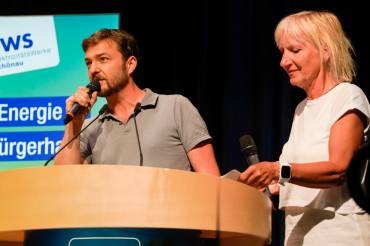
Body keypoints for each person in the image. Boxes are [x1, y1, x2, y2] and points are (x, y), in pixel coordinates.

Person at [239, 11, 370, 245]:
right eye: (282, 52)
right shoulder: (302, 109)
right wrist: (264, 185)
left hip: (339, 232)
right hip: (297, 233)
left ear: (325, 50)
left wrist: (278, 171)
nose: (283, 61)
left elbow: (338, 170)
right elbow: (293, 178)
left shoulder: (347, 96)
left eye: (295, 50)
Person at [54, 28, 220, 177]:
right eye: (89, 63)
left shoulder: (175, 107)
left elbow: (210, 180)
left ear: (130, 64)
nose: (93, 69)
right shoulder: (90, 128)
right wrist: (74, 125)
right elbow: (64, 181)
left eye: (103, 59)